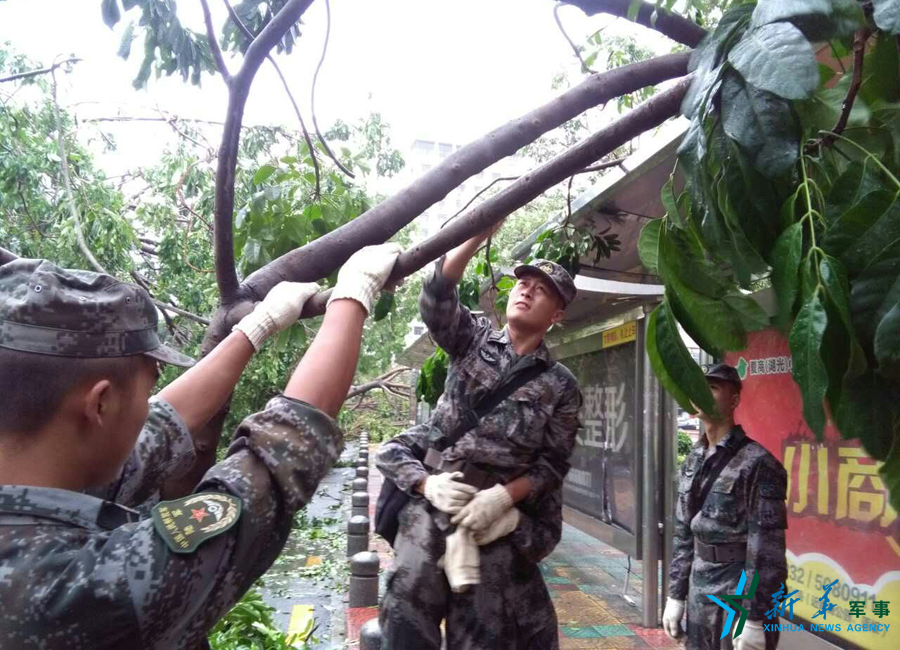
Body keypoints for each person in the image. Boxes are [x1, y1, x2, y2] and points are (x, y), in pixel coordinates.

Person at [0, 243, 400, 649]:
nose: (149, 407)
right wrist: (353, 296)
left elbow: (161, 425)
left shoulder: (43, 477)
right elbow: (279, 453)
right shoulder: (75, 589)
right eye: (147, 391)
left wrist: (256, 327)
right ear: (99, 404)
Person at [376, 222, 583, 649]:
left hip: (492, 523)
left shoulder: (561, 386)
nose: (525, 290)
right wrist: (477, 233)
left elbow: (553, 465)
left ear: (557, 315)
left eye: (540, 290)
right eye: (522, 283)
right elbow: (436, 299)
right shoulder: (472, 339)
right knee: (404, 621)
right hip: (433, 503)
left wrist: (504, 501)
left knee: (489, 636)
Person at [663, 363, 788, 650]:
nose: (702, 393)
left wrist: (755, 618)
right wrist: (676, 595)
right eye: (699, 387)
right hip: (698, 590)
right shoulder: (695, 456)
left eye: (713, 387)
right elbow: (684, 533)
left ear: (734, 400)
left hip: (737, 594)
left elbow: (767, 550)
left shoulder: (759, 463)